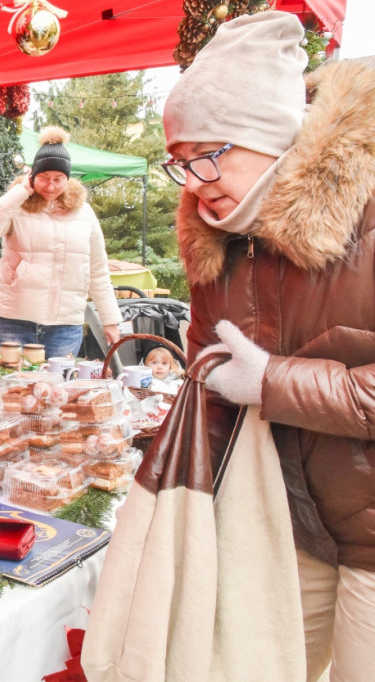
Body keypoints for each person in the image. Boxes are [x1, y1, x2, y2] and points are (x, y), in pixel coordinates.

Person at [161, 12, 375, 680]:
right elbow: (205, 381)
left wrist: (272, 384)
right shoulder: (212, 238)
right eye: (180, 163)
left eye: (209, 154)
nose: (194, 184)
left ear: (271, 134)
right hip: (284, 526)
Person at [0, 127, 121, 359]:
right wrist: (21, 191)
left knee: (57, 392)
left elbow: (98, 271)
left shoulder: (85, 214)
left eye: (58, 179)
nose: (50, 186)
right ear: (32, 176)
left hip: (64, 326)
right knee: (12, 391)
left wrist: (110, 320)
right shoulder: (18, 205)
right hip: (14, 320)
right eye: (43, 178)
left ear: (68, 178)